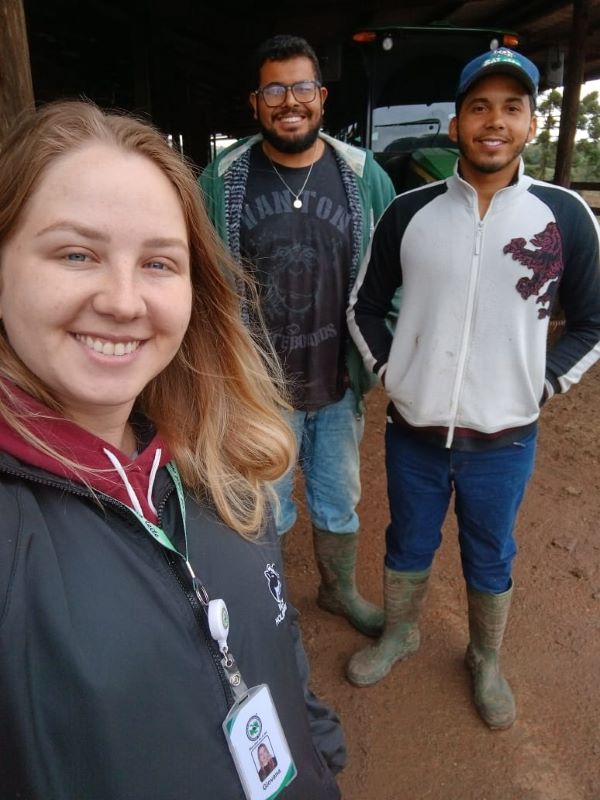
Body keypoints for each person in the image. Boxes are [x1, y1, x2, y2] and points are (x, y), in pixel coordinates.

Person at [0, 99, 346, 800]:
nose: (124, 301)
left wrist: (319, 753)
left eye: (158, 262)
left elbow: (276, 641)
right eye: (76, 254)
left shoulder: (222, 459)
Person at [345, 47, 600, 729]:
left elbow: (592, 321)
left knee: (491, 551)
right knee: (408, 540)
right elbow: (363, 306)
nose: (495, 121)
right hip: (415, 433)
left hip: (505, 438)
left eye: (512, 108)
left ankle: (485, 658)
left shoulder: (563, 215)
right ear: (456, 123)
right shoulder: (410, 211)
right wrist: (392, 374)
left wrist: (543, 382)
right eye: (480, 107)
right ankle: (401, 633)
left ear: (532, 124)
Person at [200, 34, 396, 637]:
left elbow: (394, 273)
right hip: (260, 389)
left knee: (339, 499)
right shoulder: (222, 180)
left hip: (338, 381)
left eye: (303, 87)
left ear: (322, 97)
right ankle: (274, 604)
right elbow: (200, 280)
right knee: (268, 505)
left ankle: (339, 592)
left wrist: (380, 355)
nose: (291, 101)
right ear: (255, 102)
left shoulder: (362, 175)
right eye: (275, 90)